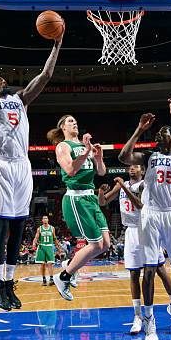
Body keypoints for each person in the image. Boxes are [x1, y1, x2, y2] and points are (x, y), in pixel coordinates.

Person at [0, 20, 63, 311]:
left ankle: (8, 283)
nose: (0, 80)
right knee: (2, 225)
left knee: (18, 227)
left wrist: (57, 44)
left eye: (2, 79)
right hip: (2, 167)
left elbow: (46, 75)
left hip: (22, 167)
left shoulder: (21, 100)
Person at [118, 98, 171, 340]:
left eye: (163, 132)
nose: (158, 134)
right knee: (149, 270)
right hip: (149, 214)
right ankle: (150, 323)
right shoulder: (149, 157)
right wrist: (139, 129)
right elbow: (123, 156)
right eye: (157, 132)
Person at [98, 166, 171, 335]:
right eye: (129, 166)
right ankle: (138, 316)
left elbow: (140, 206)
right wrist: (101, 192)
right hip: (131, 231)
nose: (131, 168)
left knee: (160, 270)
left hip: (147, 229)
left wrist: (123, 187)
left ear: (143, 170)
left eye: (136, 166)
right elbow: (103, 202)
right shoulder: (122, 184)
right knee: (133, 274)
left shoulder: (146, 184)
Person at [48, 116, 109, 300]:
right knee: (96, 244)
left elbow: (101, 172)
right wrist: (86, 151)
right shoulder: (63, 147)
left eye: (75, 121)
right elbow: (71, 170)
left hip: (91, 197)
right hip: (77, 198)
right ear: (62, 127)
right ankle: (63, 276)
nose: (74, 123)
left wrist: (97, 157)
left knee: (106, 245)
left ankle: (70, 264)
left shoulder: (85, 147)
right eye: (70, 121)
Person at [32, 216, 61, 286]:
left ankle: (51, 279)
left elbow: (54, 238)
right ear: (42, 220)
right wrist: (34, 244)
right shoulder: (39, 229)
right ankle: (44, 279)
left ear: (48, 220)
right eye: (44, 218)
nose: (45, 219)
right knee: (42, 264)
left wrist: (58, 247)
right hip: (42, 247)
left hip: (49, 247)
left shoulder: (52, 228)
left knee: (50, 263)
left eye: (46, 218)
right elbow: (36, 237)